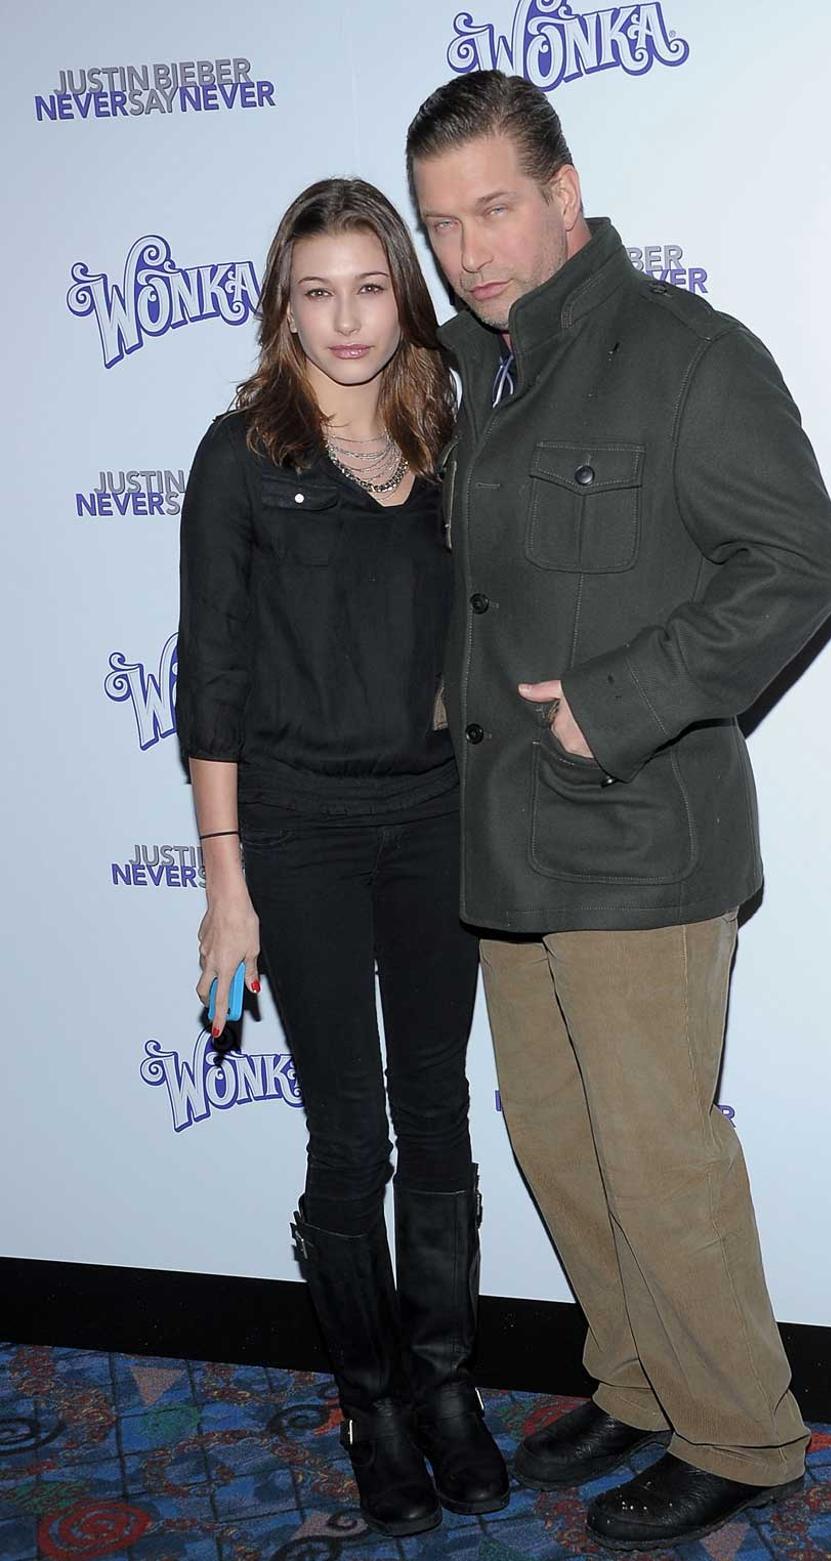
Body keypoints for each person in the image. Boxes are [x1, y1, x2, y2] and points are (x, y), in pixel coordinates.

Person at [406, 73, 831, 1551]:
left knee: (660, 1151)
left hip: (643, 831)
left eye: (495, 207)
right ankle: (639, 1380)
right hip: (512, 836)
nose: (470, 247)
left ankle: (743, 1430)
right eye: (442, 221)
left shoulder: (687, 355)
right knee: (554, 1136)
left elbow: (799, 564)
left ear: (566, 193)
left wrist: (624, 694)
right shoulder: (483, 370)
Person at [175, 177, 508, 1538]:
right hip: (301, 830)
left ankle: (446, 1391)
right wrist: (224, 889)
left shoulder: (450, 434)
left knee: (437, 1120)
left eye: (370, 284)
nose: (347, 316)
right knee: (349, 1132)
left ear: (403, 293)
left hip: (437, 818)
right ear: (282, 307)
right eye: (316, 290)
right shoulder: (241, 453)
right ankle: (369, 1403)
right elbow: (213, 679)